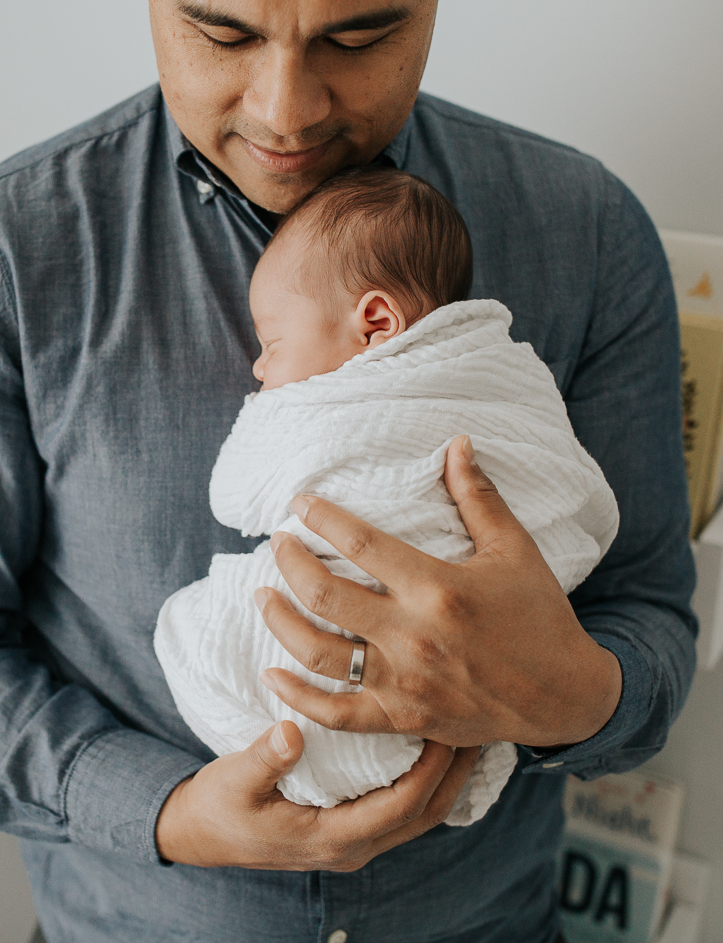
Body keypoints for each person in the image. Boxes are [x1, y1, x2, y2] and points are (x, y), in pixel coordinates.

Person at [0, 0, 696, 939]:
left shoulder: (587, 233)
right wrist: (166, 812)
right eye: (223, 32)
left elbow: (648, 616)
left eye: (359, 34)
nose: (286, 110)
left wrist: (568, 691)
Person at [153, 165, 620, 819]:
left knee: (185, 631)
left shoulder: (325, 415)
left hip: (350, 712)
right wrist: (177, 822)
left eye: (273, 343)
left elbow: (237, 496)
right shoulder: (509, 374)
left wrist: (571, 696)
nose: (260, 369)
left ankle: (280, 763)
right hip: (457, 738)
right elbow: (564, 490)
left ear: (375, 321)